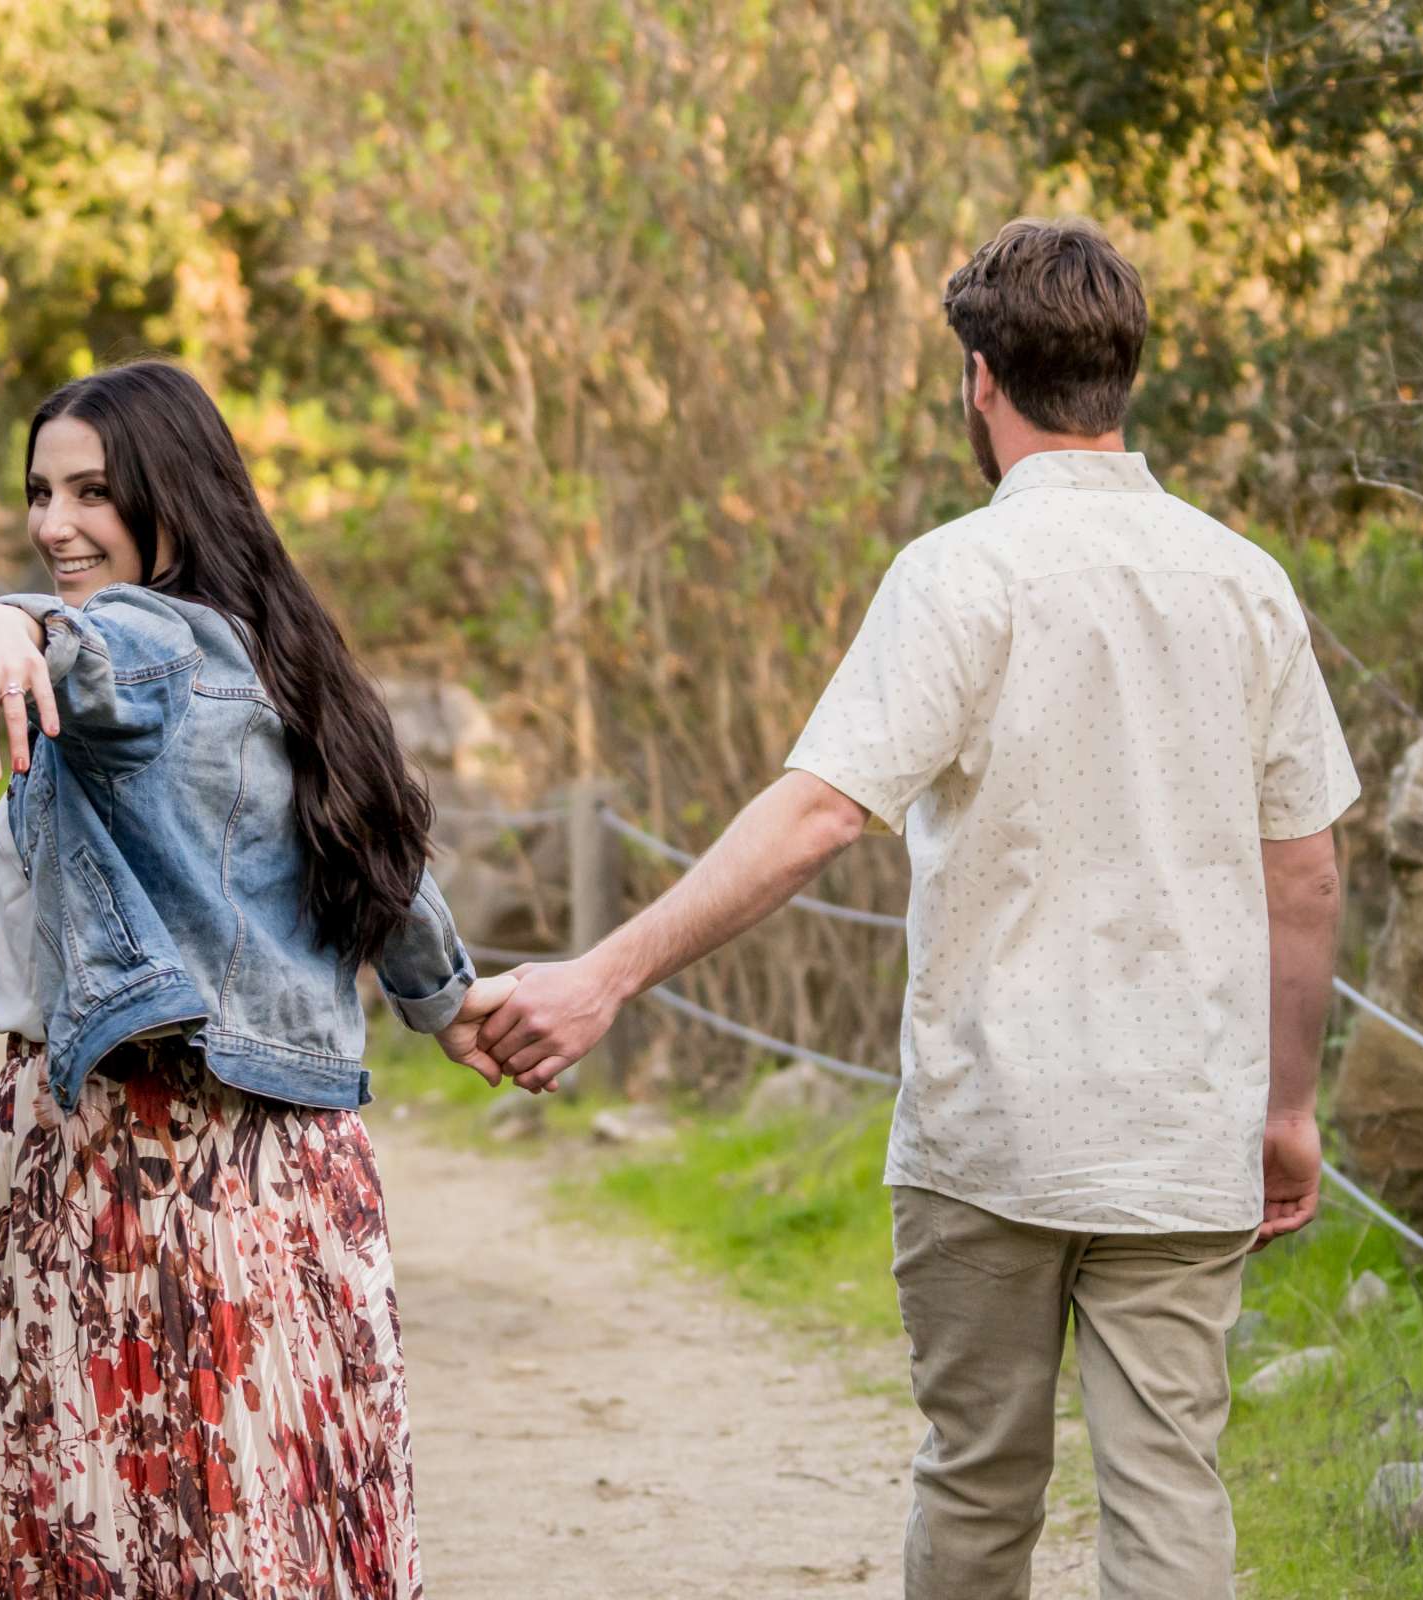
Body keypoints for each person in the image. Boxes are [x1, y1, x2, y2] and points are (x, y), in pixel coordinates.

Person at [474, 218, 1358, 1600]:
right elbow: (1305, 869)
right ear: (1122, 377)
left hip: (989, 1126)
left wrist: (608, 973)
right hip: (1184, 1125)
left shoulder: (960, 575)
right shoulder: (1248, 584)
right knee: (1172, 1490)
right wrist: (1287, 1108)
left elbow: (823, 809)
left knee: (978, 1479)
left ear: (980, 380)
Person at [0, 359, 516, 1598]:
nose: (52, 524)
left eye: (92, 491)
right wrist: (446, 1001)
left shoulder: (139, 646)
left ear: (171, 496)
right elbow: (382, 856)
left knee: (138, 1520)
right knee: (276, 1504)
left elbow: (87, 654)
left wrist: (2, 618)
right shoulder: (282, 655)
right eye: (40, 492)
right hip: (296, 1172)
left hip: (138, 1160)